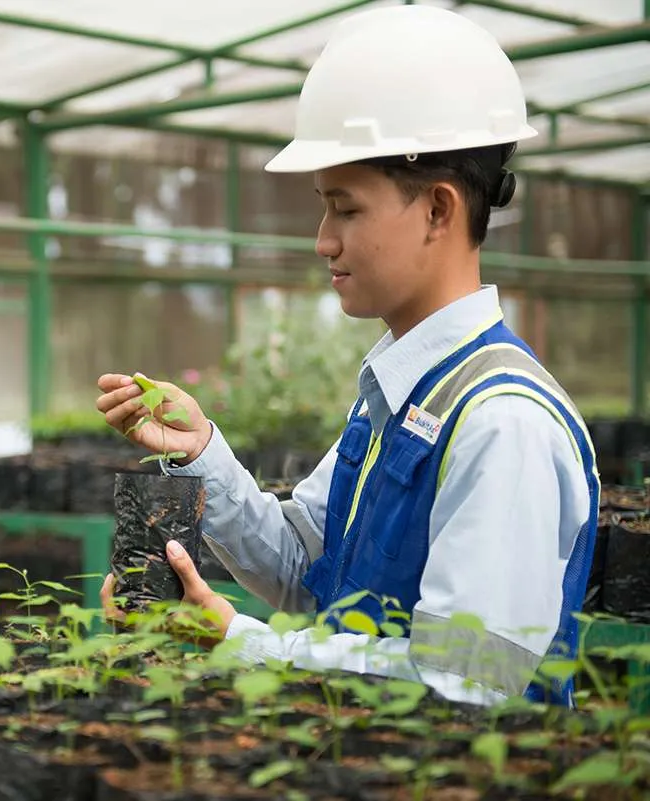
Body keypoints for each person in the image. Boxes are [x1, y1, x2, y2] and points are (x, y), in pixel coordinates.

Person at [95, 5, 598, 707]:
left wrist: (239, 639)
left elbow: (469, 682)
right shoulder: (406, 393)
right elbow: (308, 569)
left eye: (347, 208)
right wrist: (201, 451)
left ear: (438, 210)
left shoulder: (501, 423)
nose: (323, 239)